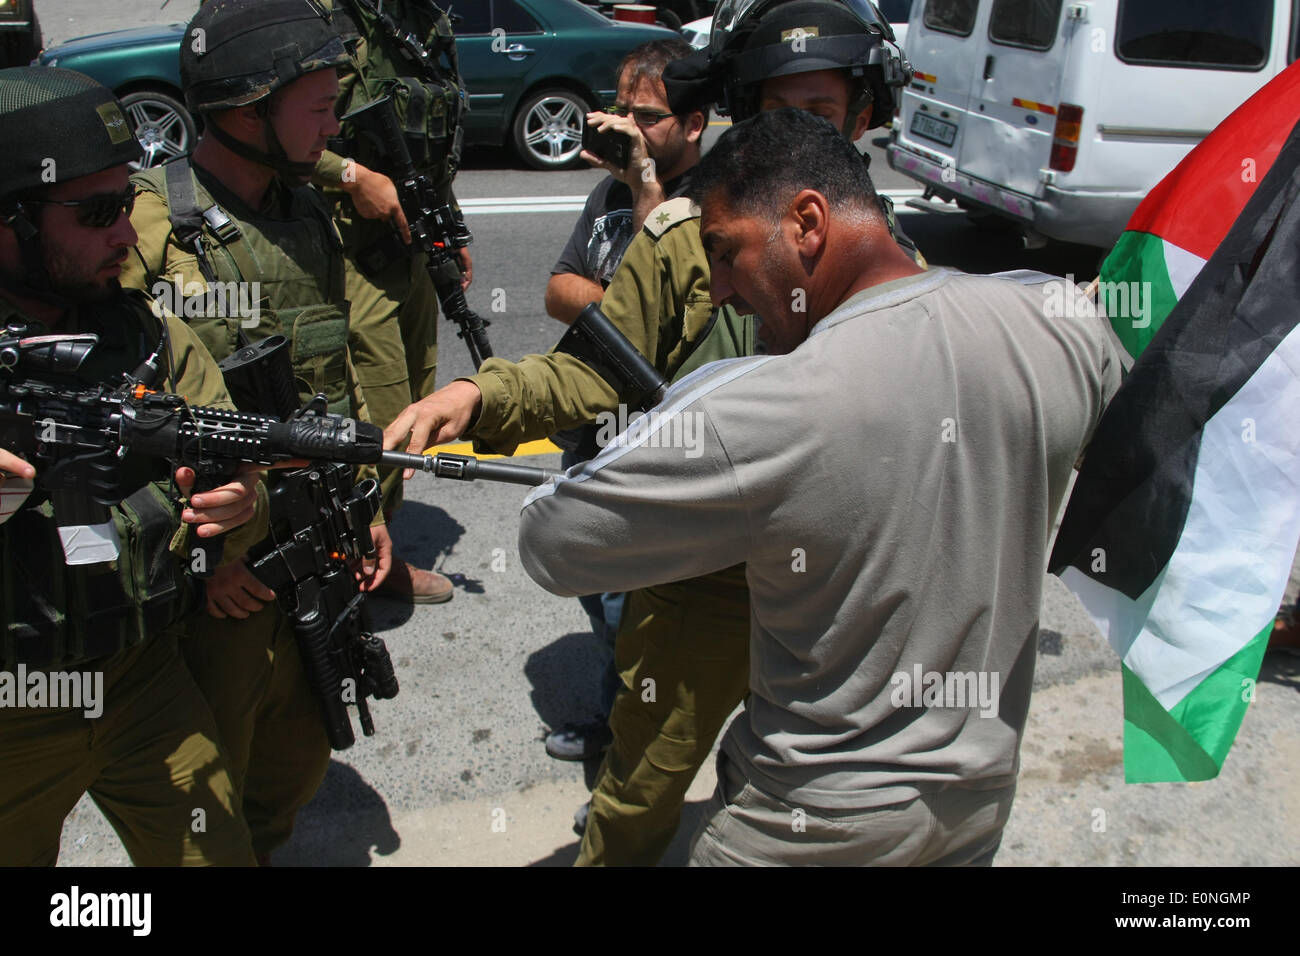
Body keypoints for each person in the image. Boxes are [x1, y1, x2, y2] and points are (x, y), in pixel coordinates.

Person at [387, 0, 924, 864]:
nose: (796, 140)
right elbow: (589, 373)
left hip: (831, 583)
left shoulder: (894, 255)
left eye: (820, 115)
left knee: (799, 790)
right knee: (640, 789)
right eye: (775, 114)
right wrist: (479, 397)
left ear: (864, 118)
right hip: (697, 580)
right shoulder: (684, 238)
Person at [517, 107, 1122, 866]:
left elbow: (550, 542)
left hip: (807, 826)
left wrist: (682, 415)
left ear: (807, 221)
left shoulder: (765, 404)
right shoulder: (1059, 324)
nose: (720, 291)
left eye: (725, 251)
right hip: (976, 803)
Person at [120, 0, 391, 862]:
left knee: (299, 751)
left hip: (315, 536)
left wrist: (370, 505)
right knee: (210, 782)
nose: (334, 125)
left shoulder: (305, 209)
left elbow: (336, 369)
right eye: (317, 108)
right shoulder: (149, 230)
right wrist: (206, 557)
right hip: (223, 574)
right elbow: (117, 411)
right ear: (245, 112)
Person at [0, 66, 267, 865]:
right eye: (98, 212)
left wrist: (240, 503)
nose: (129, 232)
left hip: (140, 679)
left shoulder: (146, 337)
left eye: (129, 200)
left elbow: (233, 460)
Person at [543, 37, 704, 764]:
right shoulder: (609, 191)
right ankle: (621, 722)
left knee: (629, 615)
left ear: (694, 123)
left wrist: (646, 190)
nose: (626, 127)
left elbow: (671, 314)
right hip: (588, 432)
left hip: (654, 449)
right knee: (599, 593)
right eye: (621, 110)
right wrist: (616, 308)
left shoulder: (702, 203)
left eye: (646, 115)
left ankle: (632, 766)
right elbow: (556, 291)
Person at [309, 0, 471, 604]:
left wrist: (449, 230)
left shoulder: (426, 20)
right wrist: (351, 175)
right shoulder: (328, 16)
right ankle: (355, 561)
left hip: (413, 253)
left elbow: (433, 142)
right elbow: (271, 131)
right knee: (376, 411)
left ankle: (375, 548)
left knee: (415, 399)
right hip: (351, 255)